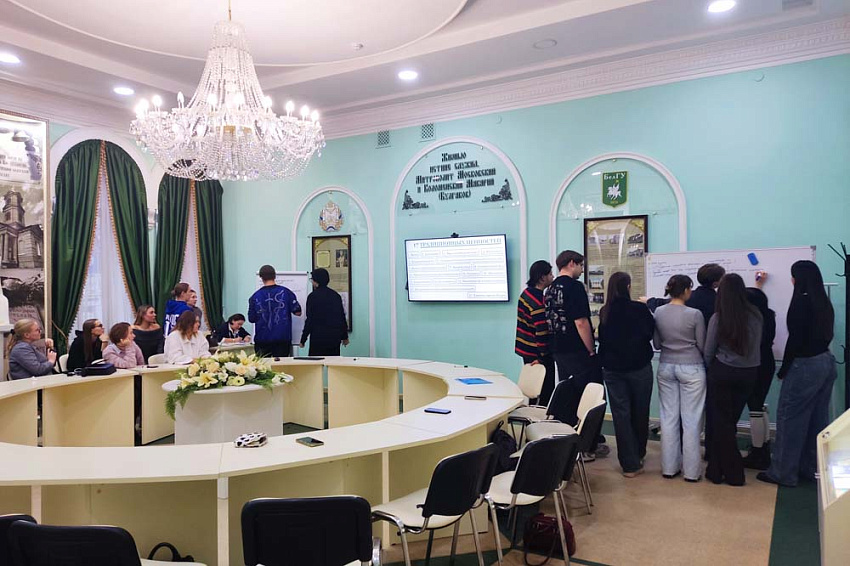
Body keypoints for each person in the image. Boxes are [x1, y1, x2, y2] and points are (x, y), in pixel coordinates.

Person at [759, 260, 836, 487]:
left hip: (805, 365)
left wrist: (784, 369)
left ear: (797, 279)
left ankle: (783, 472)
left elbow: (795, 340)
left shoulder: (801, 302)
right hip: (825, 362)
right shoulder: (823, 301)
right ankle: (810, 468)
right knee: (817, 419)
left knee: (790, 418)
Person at [545, 250, 606, 458]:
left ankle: (569, 441)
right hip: (577, 350)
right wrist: (591, 349)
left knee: (569, 393)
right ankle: (589, 445)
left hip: (558, 349)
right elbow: (581, 322)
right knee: (592, 395)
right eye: (581, 266)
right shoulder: (575, 287)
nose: (581, 270)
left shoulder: (550, 288)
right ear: (572, 263)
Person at [704, 273, 763, 486]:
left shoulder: (719, 317)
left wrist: (709, 368)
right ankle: (715, 469)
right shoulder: (756, 315)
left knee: (722, 424)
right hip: (749, 373)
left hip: (723, 372)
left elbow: (709, 350)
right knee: (729, 423)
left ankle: (734, 473)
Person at [598, 272, 655, 478]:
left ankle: (629, 464)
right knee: (640, 411)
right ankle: (638, 453)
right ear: (628, 287)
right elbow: (650, 332)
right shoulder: (639, 309)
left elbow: (602, 338)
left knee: (621, 415)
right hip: (639, 367)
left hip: (613, 369)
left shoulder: (605, 311)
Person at [653, 274, 706, 482]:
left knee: (668, 419)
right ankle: (691, 472)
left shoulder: (659, 311)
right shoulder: (695, 314)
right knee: (691, 421)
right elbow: (702, 344)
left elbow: (657, 344)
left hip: (666, 366)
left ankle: (669, 468)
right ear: (685, 291)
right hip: (692, 367)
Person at [742, 274, 777, 470]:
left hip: (756, 364)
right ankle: (762, 447)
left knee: (754, 408)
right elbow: (757, 298)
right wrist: (758, 285)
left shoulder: (751, 320)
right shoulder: (769, 315)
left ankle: (757, 453)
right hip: (767, 362)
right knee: (759, 406)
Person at [514, 260, 555, 403]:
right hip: (537, 353)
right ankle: (541, 416)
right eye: (550, 274)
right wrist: (542, 357)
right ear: (542, 278)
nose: (553, 276)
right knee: (545, 391)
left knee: (532, 390)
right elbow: (541, 331)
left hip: (526, 349)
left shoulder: (525, 294)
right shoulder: (537, 301)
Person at [646, 263, 726, 325]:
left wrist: (649, 301)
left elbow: (664, 303)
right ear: (715, 283)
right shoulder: (719, 301)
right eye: (722, 278)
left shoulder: (689, 297)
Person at [249, 264, 302, 358]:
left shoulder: (255, 296)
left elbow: (251, 318)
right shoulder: (286, 292)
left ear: (261, 277)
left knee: (263, 366)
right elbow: (298, 312)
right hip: (282, 338)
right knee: (281, 366)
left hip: (262, 339)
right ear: (275, 276)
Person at [299, 268, 349, 356]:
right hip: (334, 338)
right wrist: (345, 337)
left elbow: (310, 320)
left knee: (316, 362)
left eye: (312, 280)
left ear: (316, 281)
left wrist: (303, 339)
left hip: (318, 338)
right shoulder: (336, 296)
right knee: (333, 362)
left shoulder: (312, 297)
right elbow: (341, 318)